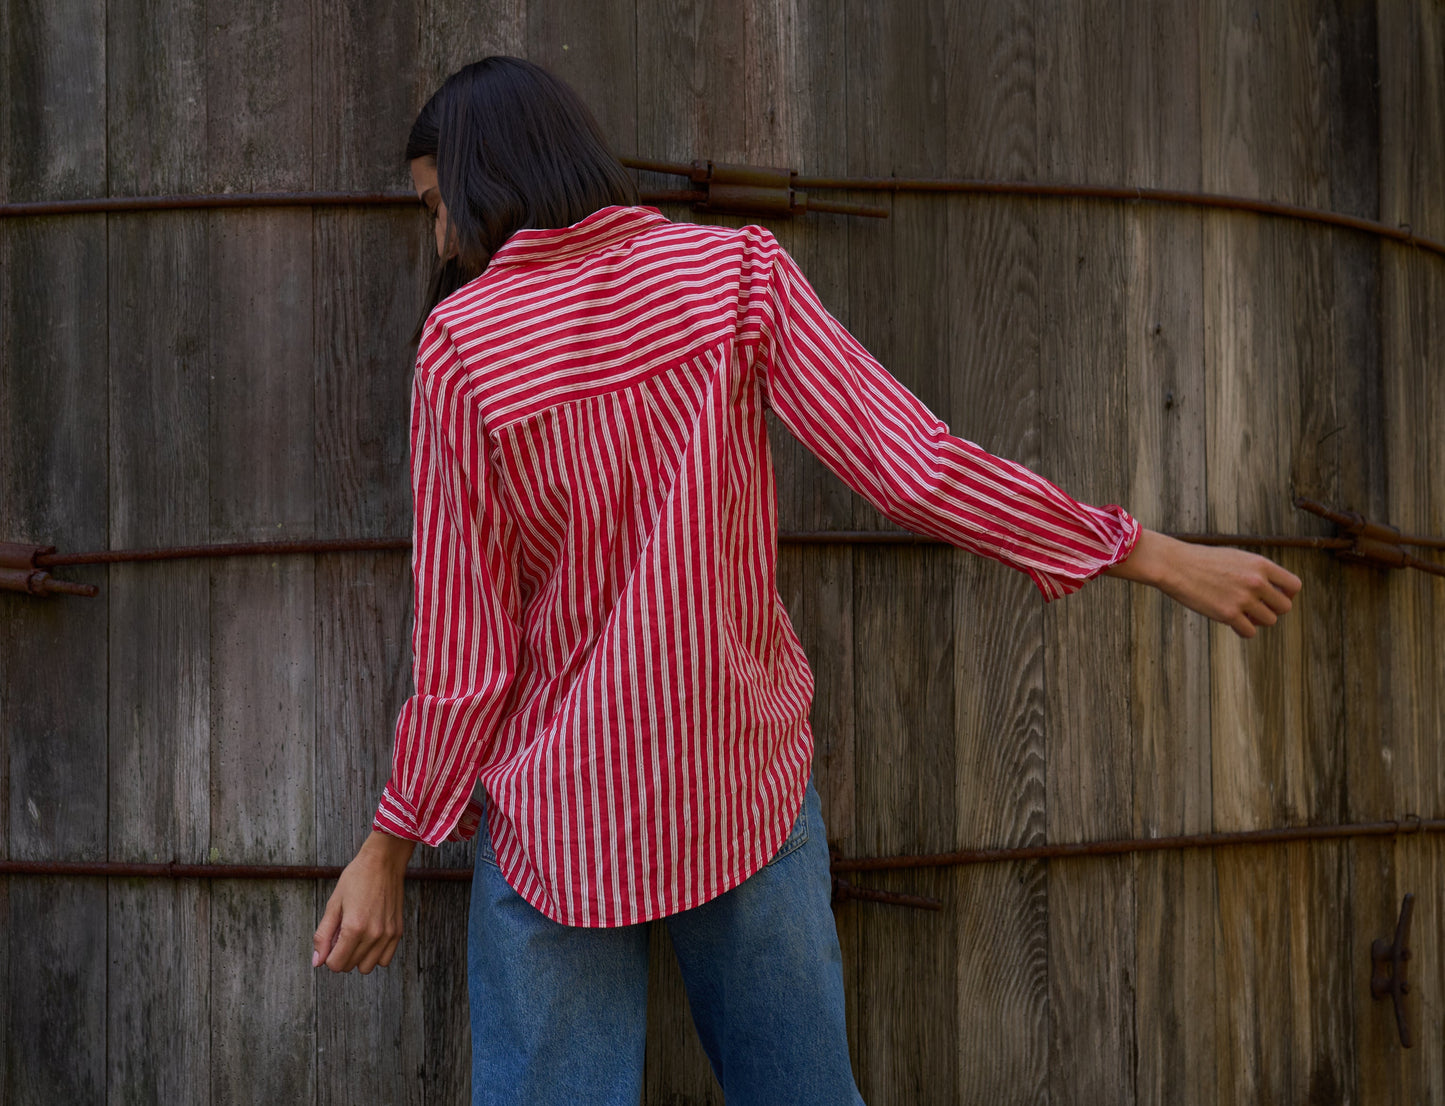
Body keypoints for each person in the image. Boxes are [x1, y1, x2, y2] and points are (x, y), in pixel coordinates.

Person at [311, 56, 1302, 1105]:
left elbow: (467, 656)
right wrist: (1140, 549)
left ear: (482, 179)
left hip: (563, 819)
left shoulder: (462, 348)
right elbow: (912, 465)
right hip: (741, 785)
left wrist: (389, 841)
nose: (440, 240)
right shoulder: (733, 274)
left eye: (436, 206)